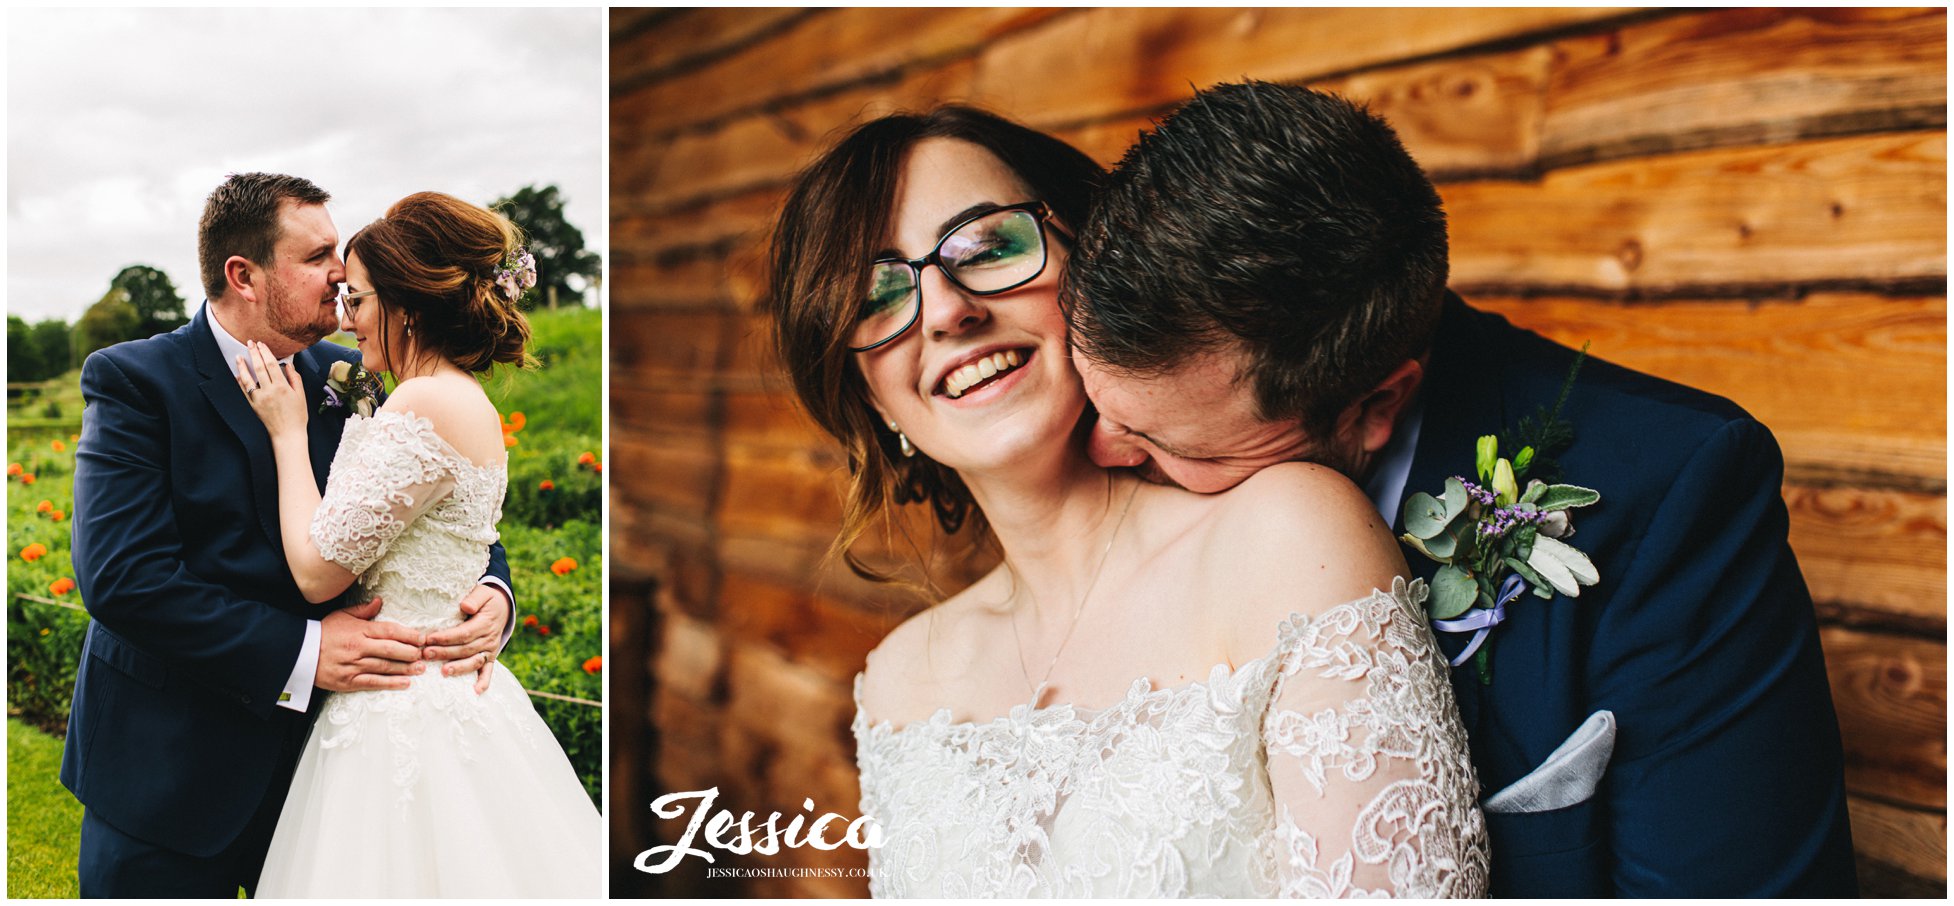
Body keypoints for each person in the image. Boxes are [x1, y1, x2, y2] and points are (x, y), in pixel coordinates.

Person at [1063, 81, 1858, 897]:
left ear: (1375, 407)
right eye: (1098, 403)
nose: (1095, 450)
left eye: (1163, 440)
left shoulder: (1673, 495)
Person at [765, 107, 1487, 897]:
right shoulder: (901, 682)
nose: (946, 311)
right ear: (867, 396)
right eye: (876, 297)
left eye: (990, 247)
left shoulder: (1288, 540)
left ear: (1093, 263)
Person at [63, 173, 516, 897]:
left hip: (341, 775)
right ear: (244, 275)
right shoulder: (136, 381)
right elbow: (124, 578)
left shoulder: (353, 375)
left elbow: (436, 500)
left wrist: (492, 590)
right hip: (171, 777)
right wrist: (304, 652)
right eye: (317, 255)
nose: (341, 272)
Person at [233, 191, 599, 896]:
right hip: (446, 692)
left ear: (406, 304)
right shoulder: (457, 397)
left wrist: (285, 433)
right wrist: (495, 591)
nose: (347, 317)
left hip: (403, 707)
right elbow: (459, 540)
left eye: (360, 298)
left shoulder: (423, 402)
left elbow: (315, 573)